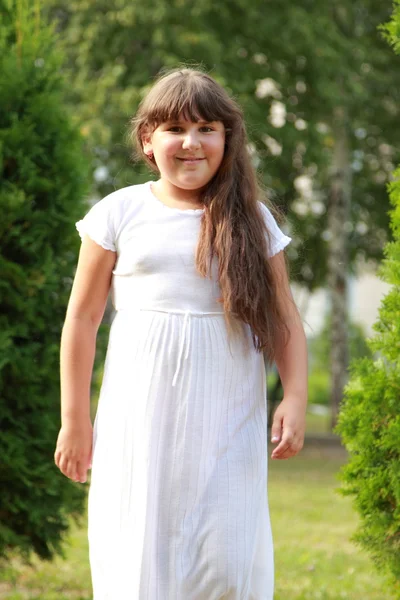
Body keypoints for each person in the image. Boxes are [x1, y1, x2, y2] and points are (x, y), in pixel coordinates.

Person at [54, 67, 308, 600]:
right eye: (174, 128)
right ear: (148, 140)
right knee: (139, 556)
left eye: (207, 128)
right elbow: (81, 319)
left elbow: (284, 319)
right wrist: (75, 419)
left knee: (226, 559)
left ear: (227, 139)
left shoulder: (253, 221)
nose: (191, 142)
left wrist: (296, 397)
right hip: (138, 416)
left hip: (229, 414)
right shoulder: (118, 212)